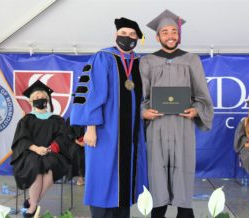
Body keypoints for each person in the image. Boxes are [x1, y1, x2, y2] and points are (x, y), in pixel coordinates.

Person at [70, 17, 148, 218]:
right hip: (105, 129)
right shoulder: (103, 57)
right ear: (116, 35)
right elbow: (92, 93)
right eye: (123, 33)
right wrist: (90, 127)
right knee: (103, 176)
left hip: (130, 133)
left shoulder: (139, 62)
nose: (127, 37)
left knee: (125, 180)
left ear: (138, 38)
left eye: (132, 35)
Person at [140, 9, 214, 218]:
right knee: (157, 170)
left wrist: (196, 110)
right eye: (165, 32)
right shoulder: (147, 62)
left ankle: (184, 210)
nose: (170, 35)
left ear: (178, 35)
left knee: (183, 168)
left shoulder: (191, 60)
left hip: (183, 125)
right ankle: (158, 210)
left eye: (174, 31)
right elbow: (141, 96)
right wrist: (144, 112)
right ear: (158, 36)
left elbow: (202, 96)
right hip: (157, 126)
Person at [10, 80, 70, 217]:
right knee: (35, 165)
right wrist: (36, 149)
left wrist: (50, 148)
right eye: (35, 98)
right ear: (31, 102)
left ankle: (32, 201)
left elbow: (62, 137)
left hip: (52, 152)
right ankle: (33, 206)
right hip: (30, 152)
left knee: (49, 168)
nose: (39, 99)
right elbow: (21, 139)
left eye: (42, 97)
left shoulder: (56, 119)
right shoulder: (26, 120)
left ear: (47, 99)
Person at [65, 117, 85, 186]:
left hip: (90, 141)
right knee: (76, 150)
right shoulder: (70, 119)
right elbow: (68, 133)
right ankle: (80, 176)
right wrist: (78, 142)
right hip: (75, 142)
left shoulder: (90, 116)